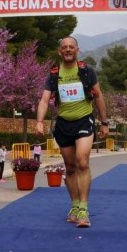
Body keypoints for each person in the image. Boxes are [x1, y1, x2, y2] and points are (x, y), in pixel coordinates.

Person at [35, 36, 108, 228]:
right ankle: (75, 205)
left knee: (82, 162)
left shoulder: (86, 70)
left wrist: (104, 122)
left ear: (77, 50)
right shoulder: (53, 74)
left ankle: (84, 208)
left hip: (84, 120)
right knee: (70, 167)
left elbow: (98, 96)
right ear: (60, 51)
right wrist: (39, 121)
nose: (68, 49)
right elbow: (44, 100)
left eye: (71, 47)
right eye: (64, 47)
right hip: (63, 124)